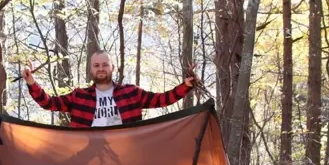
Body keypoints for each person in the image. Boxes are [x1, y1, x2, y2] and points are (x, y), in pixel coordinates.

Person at [22, 49, 199, 128]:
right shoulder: (79, 96)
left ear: (112, 68)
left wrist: (185, 86)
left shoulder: (131, 93)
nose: (101, 69)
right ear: (91, 69)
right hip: (87, 154)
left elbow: (162, 100)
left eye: (105, 65)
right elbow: (49, 103)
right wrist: (32, 82)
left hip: (125, 152)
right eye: (96, 65)